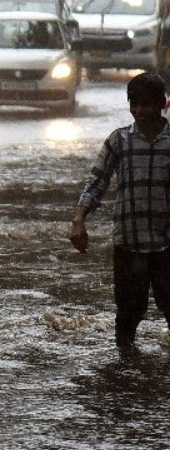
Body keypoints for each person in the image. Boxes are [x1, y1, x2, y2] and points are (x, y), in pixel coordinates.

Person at [69, 71, 170, 350]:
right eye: (134, 105)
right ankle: (125, 370)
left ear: (162, 104)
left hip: (166, 244)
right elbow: (96, 182)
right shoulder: (119, 141)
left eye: (146, 104)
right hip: (129, 243)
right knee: (127, 314)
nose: (139, 111)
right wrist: (79, 221)